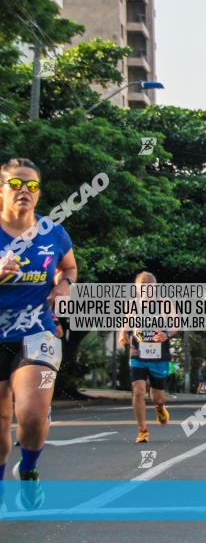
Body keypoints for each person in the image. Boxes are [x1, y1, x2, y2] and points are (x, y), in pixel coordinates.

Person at [0, 158, 77, 510]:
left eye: (31, 187)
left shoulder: (52, 232)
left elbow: (70, 266)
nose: (24, 192)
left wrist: (64, 286)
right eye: (16, 185)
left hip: (37, 332)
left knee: (31, 414)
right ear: (2, 190)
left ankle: (28, 470)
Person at [119, 271, 174, 445]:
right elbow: (125, 324)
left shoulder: (164, 304)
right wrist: (122, 334)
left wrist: (166, 334)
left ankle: (159, 408)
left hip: (159, 355)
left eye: (149, 287)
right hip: (138, 352)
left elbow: (175, 324)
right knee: (139, 390)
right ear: (137, 289)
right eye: (142, 288)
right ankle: (143, 430)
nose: (146, 291)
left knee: (158, 397)